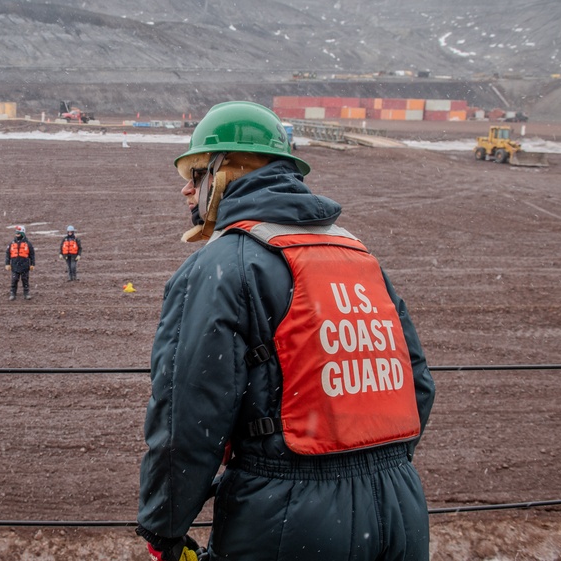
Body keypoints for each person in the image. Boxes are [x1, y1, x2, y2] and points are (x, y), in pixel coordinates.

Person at [136, 101, 436, 561]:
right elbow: (417, 384)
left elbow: (188, 416)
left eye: (195, 175)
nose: (186, 190)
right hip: (400, 510)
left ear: (226, 171)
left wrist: (164, 528)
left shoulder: (219, 266)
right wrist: (367, 467)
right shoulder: (357, 256)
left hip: (287, 520)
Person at [5, 225, 35, 300]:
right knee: (14, 280)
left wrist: (32, 264)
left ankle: (26, 293)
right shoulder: (12, 243)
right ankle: (12, 293)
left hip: (25, 265)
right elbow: (8, 254)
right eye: (16, 233)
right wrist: (7, 263)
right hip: (15, 265)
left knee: (25, 280)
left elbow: (32, 254)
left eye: (18, 233)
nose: (17, 234)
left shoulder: (28, 243)